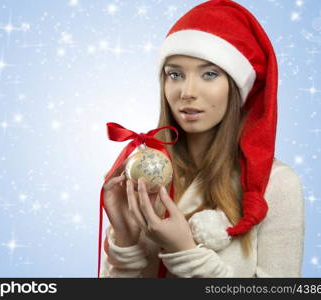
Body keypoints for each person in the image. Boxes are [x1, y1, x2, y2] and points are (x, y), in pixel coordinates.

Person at [99, 0, 305, 278]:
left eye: (209, 74)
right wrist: (125, 238)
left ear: (236, 87)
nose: (187, 91)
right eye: (175, 74)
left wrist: (184, 251)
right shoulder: (144, 173)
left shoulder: (276, 184)